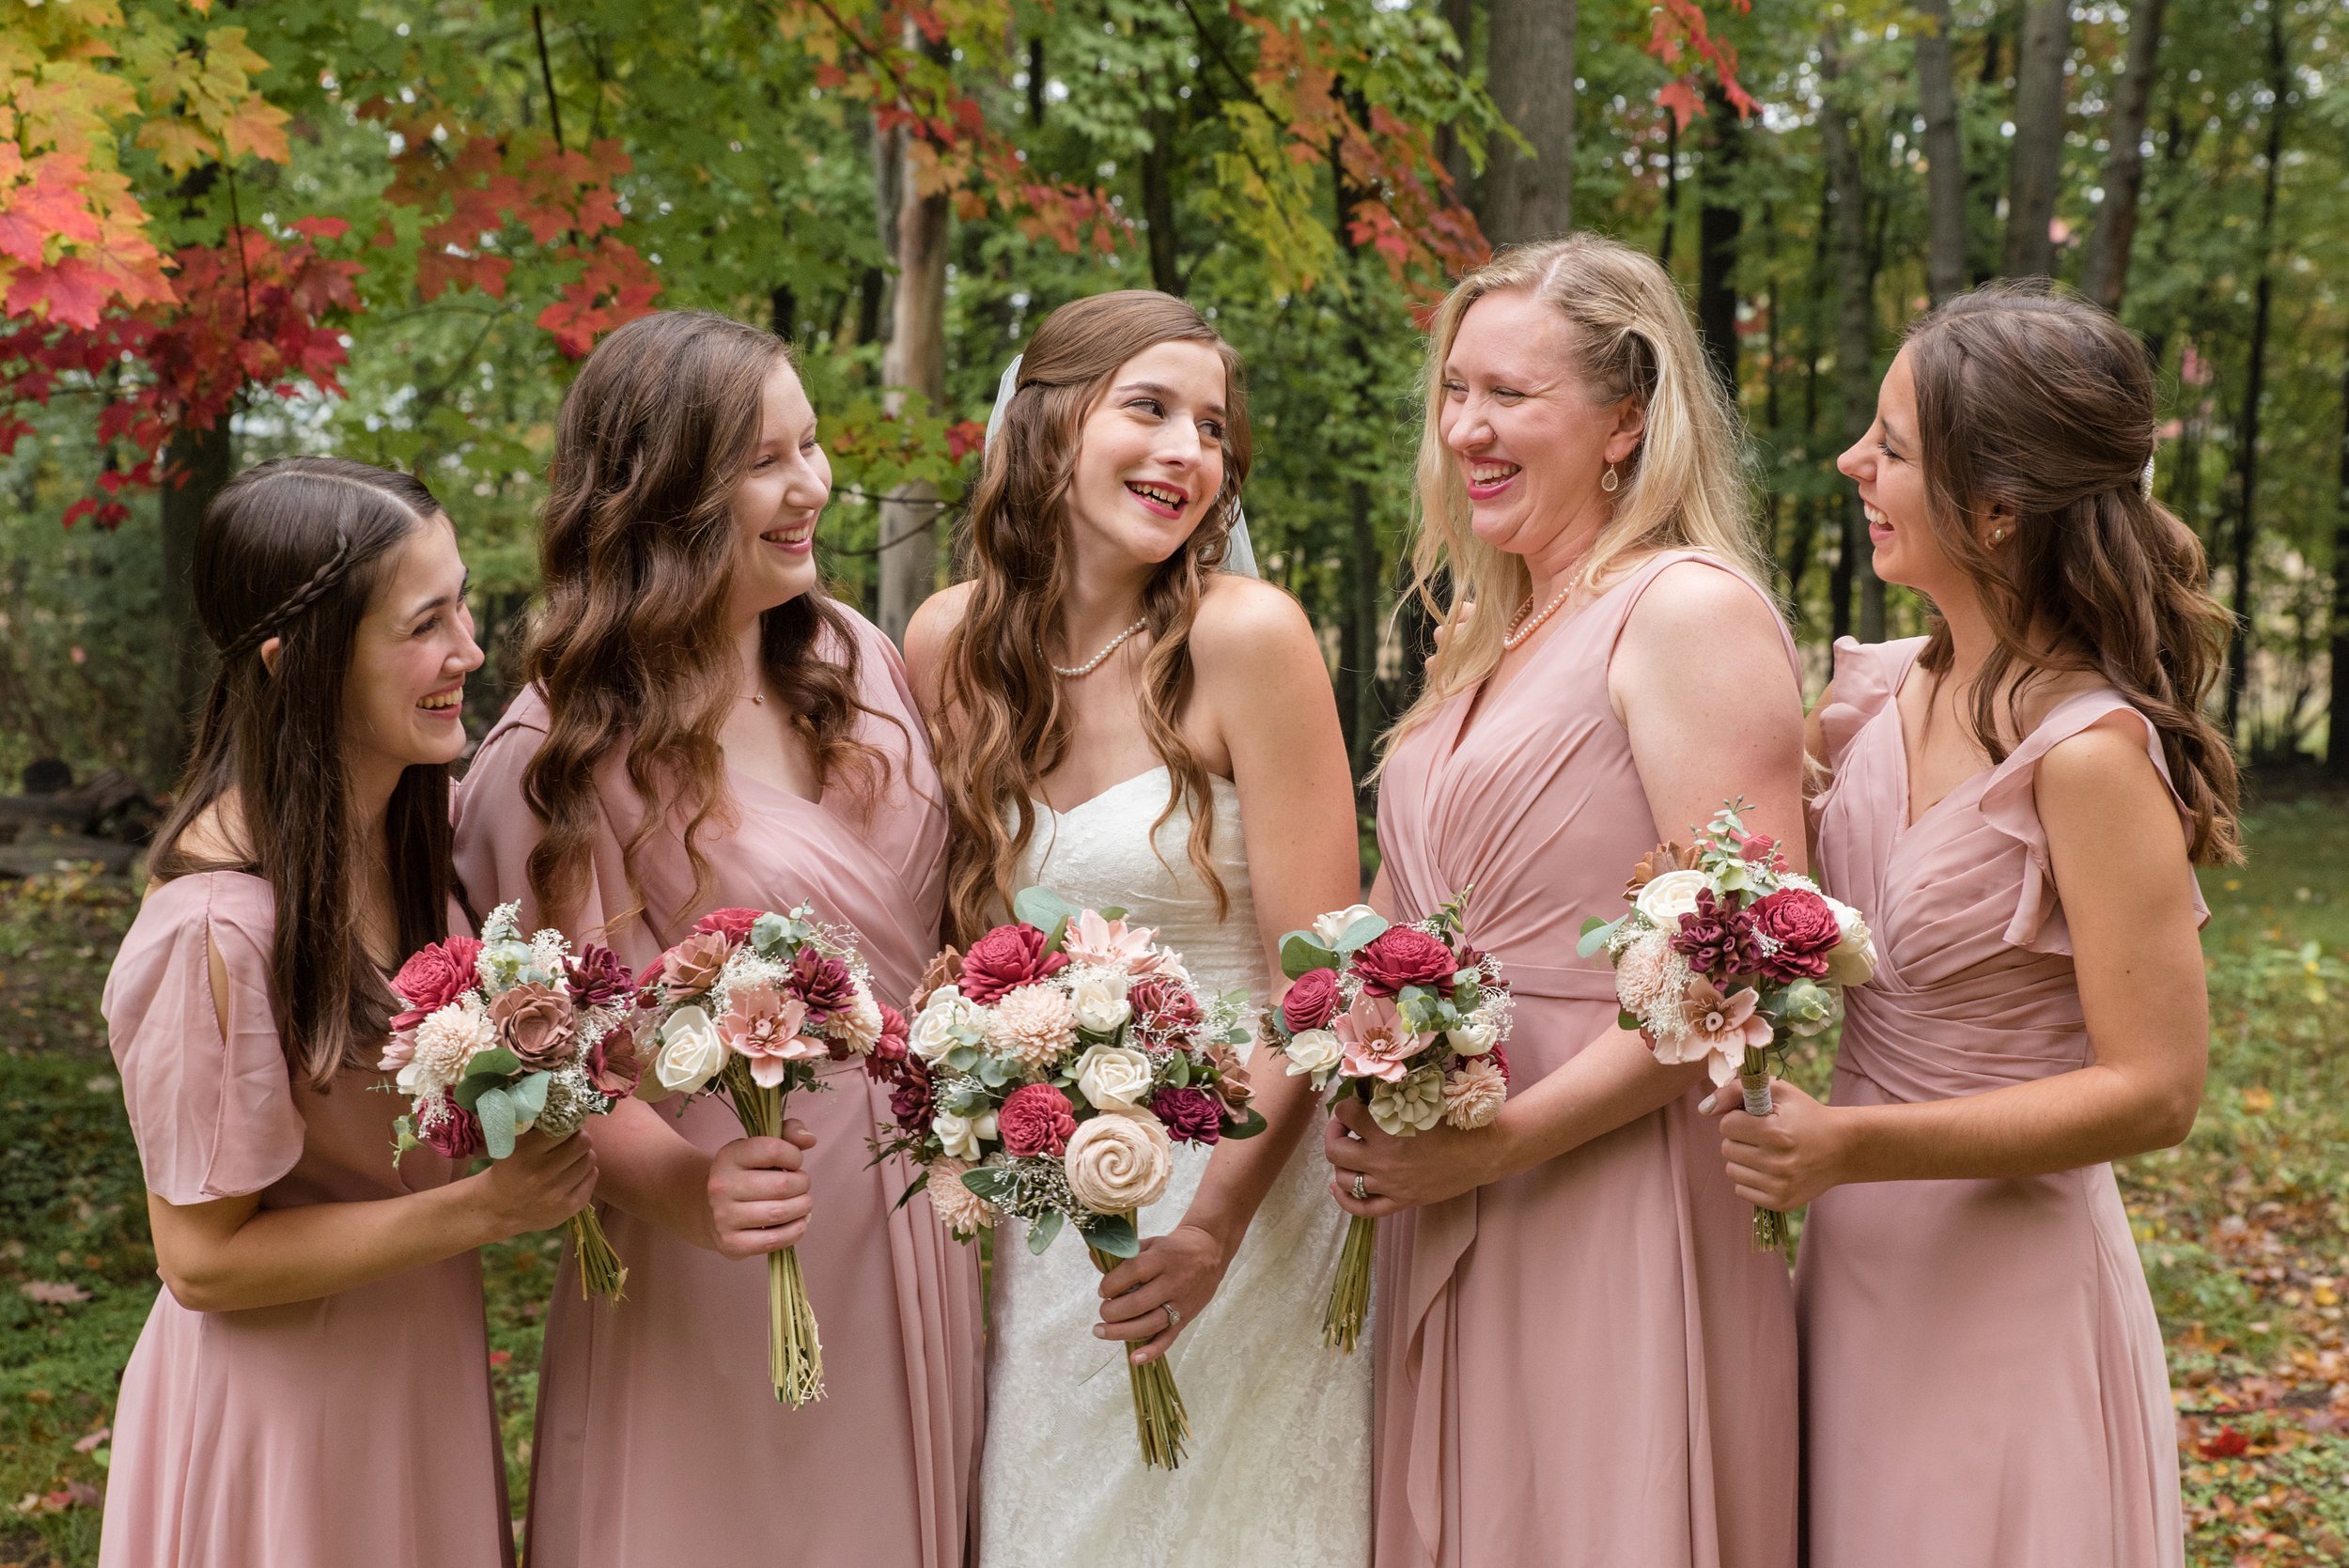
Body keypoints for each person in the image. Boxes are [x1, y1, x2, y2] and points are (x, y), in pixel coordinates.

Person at [453, 311, 980, 1567]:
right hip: (731, 1236)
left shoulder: (854, 659)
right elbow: (549, 1059)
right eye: (764, 461)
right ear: (662, 495)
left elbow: (951, 917)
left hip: (913, 1214)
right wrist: (687, 1189)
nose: (811, 488)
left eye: (810, 448)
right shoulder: (558, 751)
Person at [1718, 283, 2232, 1568]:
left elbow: (2158, 1092)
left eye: (1890, 446)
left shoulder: (2093, 755)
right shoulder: (1878, 692)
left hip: (2005, 1280)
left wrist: (1851, 1146)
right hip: (1854, 1269)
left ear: (1999, 508)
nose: (1853, 464)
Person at [1323, 235, 1802, 1568]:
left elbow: (1739, 970)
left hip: (1605, 1179)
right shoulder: (1488, 631)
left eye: (1512, 396)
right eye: (1455, 391)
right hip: (1451, 1162)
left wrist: (1502, 1142)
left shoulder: (1684, 610)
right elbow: (1392, 915)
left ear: (1625, 423)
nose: (1468, 426)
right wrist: (1350, 1049)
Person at [904, 289, 1370, 1568]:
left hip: (1243, 1199)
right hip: (1049, 1211)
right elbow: (953, 947)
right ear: (1048, 426)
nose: (1189, 452)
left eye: (1212, 428)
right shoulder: (948, 648)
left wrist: (1213, 1224)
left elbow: (1317, 984)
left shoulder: (1247, 641)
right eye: (1149, 409)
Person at [100, 457, 595, 1568]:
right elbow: (201, 1262)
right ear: (298, 663)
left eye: (464, 603)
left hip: (414, 1381)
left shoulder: (418, 835)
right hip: (282, 1425)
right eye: (425, 624)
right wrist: (485, 1207)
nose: (469, 648)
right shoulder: (217, 930)